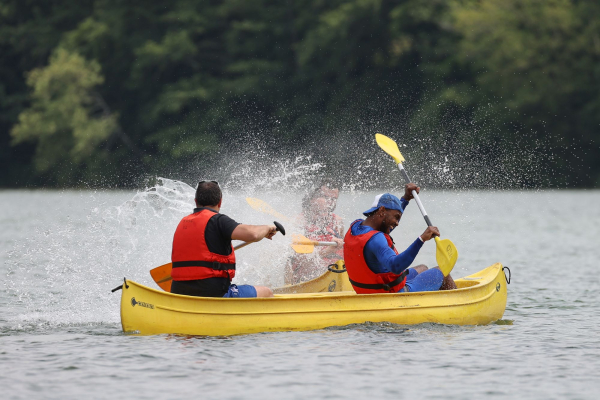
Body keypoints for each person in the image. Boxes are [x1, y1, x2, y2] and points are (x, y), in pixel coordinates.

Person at [170, 180, 280, 298]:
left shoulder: (183, 223)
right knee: (267, 293)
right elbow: (253, 234)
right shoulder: (218, 221)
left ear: (196, 201)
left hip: (179, 293)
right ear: (220, 201)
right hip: (214, 294)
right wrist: (269, 227)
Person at [343, 184, 456, 294]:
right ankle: (456, 305)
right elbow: (395, 266)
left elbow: (385, 226)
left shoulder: (356, 227)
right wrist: (421, 239)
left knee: (423, 268)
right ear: (382, 211)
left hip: (369, 290)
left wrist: (406, 199)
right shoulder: (376, 240)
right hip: (391, 294)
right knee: (443, 272)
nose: (397, 223)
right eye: (396, 217)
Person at [285, 179, 345, 284]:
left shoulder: (338, 222)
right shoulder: (298, 222)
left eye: (334, 198)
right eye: (326, 197)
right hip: (306, 279)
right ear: (312, 198)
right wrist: (328, 250)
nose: (331, 202)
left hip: (335, 273)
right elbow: (297, 262)